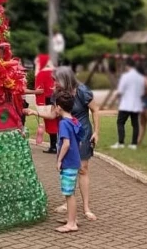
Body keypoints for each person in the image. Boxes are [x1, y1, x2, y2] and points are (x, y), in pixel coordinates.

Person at [26, 66, 100, 221]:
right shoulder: (57, 95)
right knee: (68, 169)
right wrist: (35, 112)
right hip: (66, 135)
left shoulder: (82, 91)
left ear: (65, 79)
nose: (53, 83)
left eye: (56, 80)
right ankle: (68, 203)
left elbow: (95, 110)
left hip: (82, 133)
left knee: (83, 169)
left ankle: (86, 207)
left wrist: (96, 132)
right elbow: (53, 114)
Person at [51, 91, 81, 233]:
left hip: (68, 162)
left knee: (69, 194)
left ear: (59, 107)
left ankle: (71, 223)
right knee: (70, 192)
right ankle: (72, 218)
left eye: (55, 106)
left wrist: (59, 160)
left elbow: (66, 143)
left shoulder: (63, 123)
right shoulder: (74, 120)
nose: (54, 109)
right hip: (75, 161)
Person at [111, 58, 146, 149]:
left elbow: (120, 90)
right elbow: (142, 92)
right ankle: (134, 144)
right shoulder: (141, 77)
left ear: (127, 66)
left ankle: (121, 143)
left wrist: (114, 100)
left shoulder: (125, 76)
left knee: (120, 122)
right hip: (136, 103)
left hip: (126, 104)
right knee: (135, 124)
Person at [33, 54, 58, 153]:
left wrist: (39, 103)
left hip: (47, 101)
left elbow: (39, 90)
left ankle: (53, 146)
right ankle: (58, 145)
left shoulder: (41, 74)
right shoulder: (56, 71)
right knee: (58, 122)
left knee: (50, 123)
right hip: (59, 100)